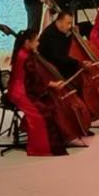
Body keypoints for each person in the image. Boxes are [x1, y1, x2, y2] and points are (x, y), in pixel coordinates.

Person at [9, 28, 74, 156]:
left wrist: (50, 84)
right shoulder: (25, 57)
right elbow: (33, 79)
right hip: (21, 92)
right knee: (42, 114)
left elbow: (34, 78)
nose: (38, 43)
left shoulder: (25, 53)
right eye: (36, 41)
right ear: (27, 42)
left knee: (48, 106)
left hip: (24, 88)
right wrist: (52, 84)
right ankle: (39, 148)